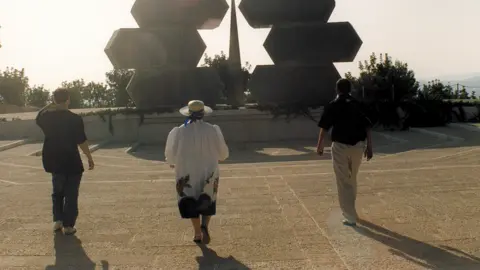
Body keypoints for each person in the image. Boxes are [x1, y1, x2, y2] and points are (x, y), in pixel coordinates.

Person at [165, 100, 229, 243]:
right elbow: (223, 154)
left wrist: (172, 162)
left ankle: (197, 233)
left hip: (186, 171)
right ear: (203, 114)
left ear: (188, 113)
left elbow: (170, 153)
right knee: (208, 197)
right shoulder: (212, 130)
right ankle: (205, 225)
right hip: (209, 169)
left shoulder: (180, 131)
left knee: (190, 200)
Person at [36, 88, 94, 235]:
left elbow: (38, 116)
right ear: (68, 99)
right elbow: (82, 141)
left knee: (57, 192)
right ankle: (68, 225)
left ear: (54, 100)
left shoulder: (47, 118)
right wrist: (89, 157)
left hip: (54, 160)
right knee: (71, 194)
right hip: (72, 160)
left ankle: (57, 220)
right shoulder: (75, 119)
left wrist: (50, 105)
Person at [316, 79, 373, 226]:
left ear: (337, 89)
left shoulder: (333, 105)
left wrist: (320, 145)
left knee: (343, 180)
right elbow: (367, 126)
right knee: (352, 177)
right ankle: (351, 210)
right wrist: (370, 147)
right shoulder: (358, 104)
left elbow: (324, 127)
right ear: (350, 89)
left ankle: (350, 216)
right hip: (358, 146)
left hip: (340, 146)